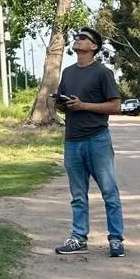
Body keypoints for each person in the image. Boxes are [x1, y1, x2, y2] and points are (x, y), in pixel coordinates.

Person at [53, 26, 125, 257]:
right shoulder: (68, 72)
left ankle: (116, 240)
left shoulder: (103, 73)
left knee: (109, 192)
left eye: (83, 38)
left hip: (97, 139)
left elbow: (115, 106)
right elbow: (64, 106)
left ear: (93, 47)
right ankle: (78, 238)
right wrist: (61, 104)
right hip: (72, 140)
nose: (77, 39)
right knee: (77, 195)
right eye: (76, 37)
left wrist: (84, 105)